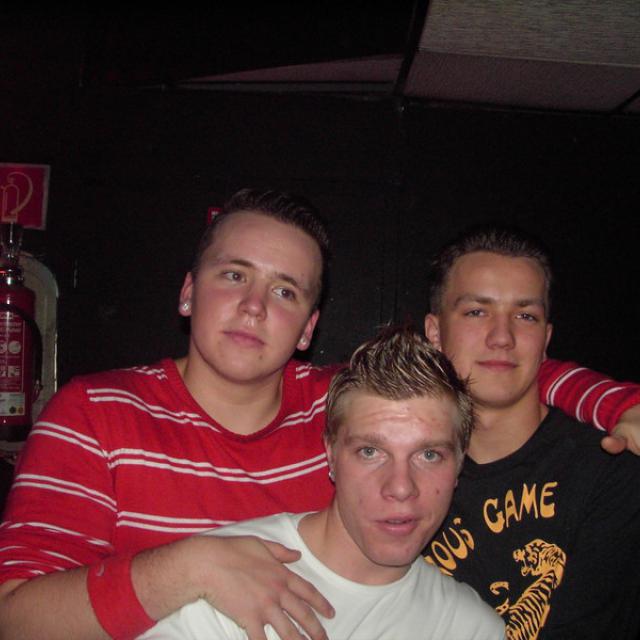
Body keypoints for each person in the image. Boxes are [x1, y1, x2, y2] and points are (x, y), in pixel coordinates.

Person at [0, 188, 638, 640]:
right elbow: (14, 618)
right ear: (188, 292)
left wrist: (618, 402)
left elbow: (480, 372)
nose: (255, 306)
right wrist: (188, 567)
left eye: (284, 290)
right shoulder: (96, 415)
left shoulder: (338, 405)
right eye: (234, 276)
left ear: (308, 326)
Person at [139, 325, 506, 640]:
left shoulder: (471, 629)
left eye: (429, 455)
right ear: (330, 455)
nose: (400, 487)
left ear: (460, 463)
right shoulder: (229, 583)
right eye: (370, 452)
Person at [423, 225, 640, 639]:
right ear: (435, 333)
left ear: (545, 339)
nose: (502, 337)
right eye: (476, 312)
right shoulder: (399, 473)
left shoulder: (608, 468)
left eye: (525, 316)